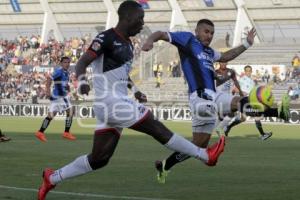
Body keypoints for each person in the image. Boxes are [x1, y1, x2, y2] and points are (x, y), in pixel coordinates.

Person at [37, 2, 225, 200]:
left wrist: (135, 91)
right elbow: (83, 62)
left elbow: (122, 75)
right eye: (140, 19)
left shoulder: (128, 45)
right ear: (128, 18)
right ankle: (205, 156)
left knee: (100, 158)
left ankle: (53, 178)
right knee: (154, 126)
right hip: (109, 101)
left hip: (115, 103)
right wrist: (82, 81)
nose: (142, 24)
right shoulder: (106, 37)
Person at [142, 19, 290, 184]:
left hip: (213, 95)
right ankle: (263, 116)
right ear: (197, 31)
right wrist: (149, 40)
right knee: (238, 105)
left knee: (198, 145)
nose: (209, 36)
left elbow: (227, 55)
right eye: (206, 31)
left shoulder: (209, 52)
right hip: (199, 98)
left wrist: (246, 44)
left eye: (212, 33)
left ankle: (165, 166)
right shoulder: (188, 40)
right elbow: (161, 34)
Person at [217, 65, 273, 141]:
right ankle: (263, 135)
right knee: (256, 115)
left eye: (250, 71)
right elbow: (235, 89)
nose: (248, 72)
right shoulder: (242, 80)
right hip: (243, 100)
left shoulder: (252, 81)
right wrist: (242, 92)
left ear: (251, 71)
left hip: (249, 101)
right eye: (247, 71)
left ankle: (227, 128)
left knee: (243, 118)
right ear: (245, 71)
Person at [35, 56, 76, 142]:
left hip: (58, 97)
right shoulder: (59, 71)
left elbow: (63, 83)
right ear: (61, 63)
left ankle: (40, 132)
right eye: (65, 62)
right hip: (59, 97)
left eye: (68, 62)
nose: (67, 64)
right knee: (71, 110)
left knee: (51, 116)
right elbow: (49, 79)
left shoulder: (66, 72)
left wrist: (67, 87)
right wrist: (47, 91)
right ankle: (66, 132)